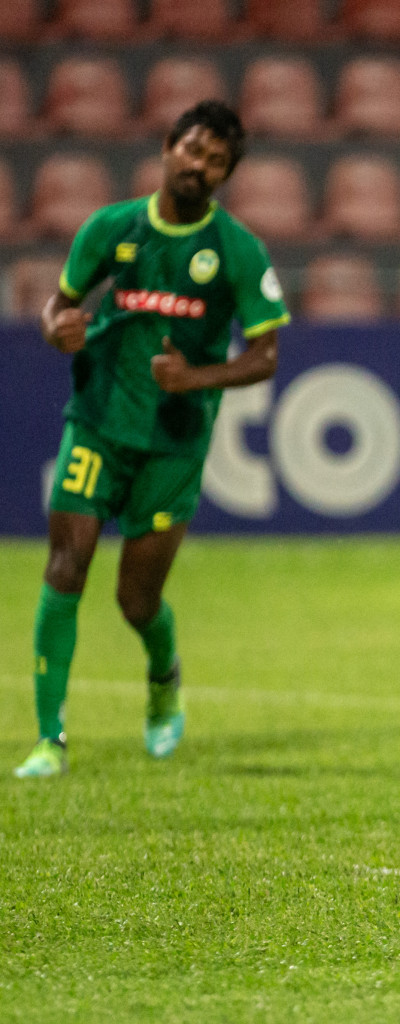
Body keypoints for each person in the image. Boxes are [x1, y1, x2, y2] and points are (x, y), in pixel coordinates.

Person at [13, 100, 289, 780]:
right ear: (168, 146)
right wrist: (57, 327)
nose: (200, 165)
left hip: (174, 441)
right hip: (98, 420)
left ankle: (163, 677)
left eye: (217, 160)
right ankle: (50, 738)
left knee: (135, 600)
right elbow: (60, 303)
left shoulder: (238, 250)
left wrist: (196, 377)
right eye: (193, 149)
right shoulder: (112, 227)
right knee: (64, 567)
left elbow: (266, 355)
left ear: (226, 175)